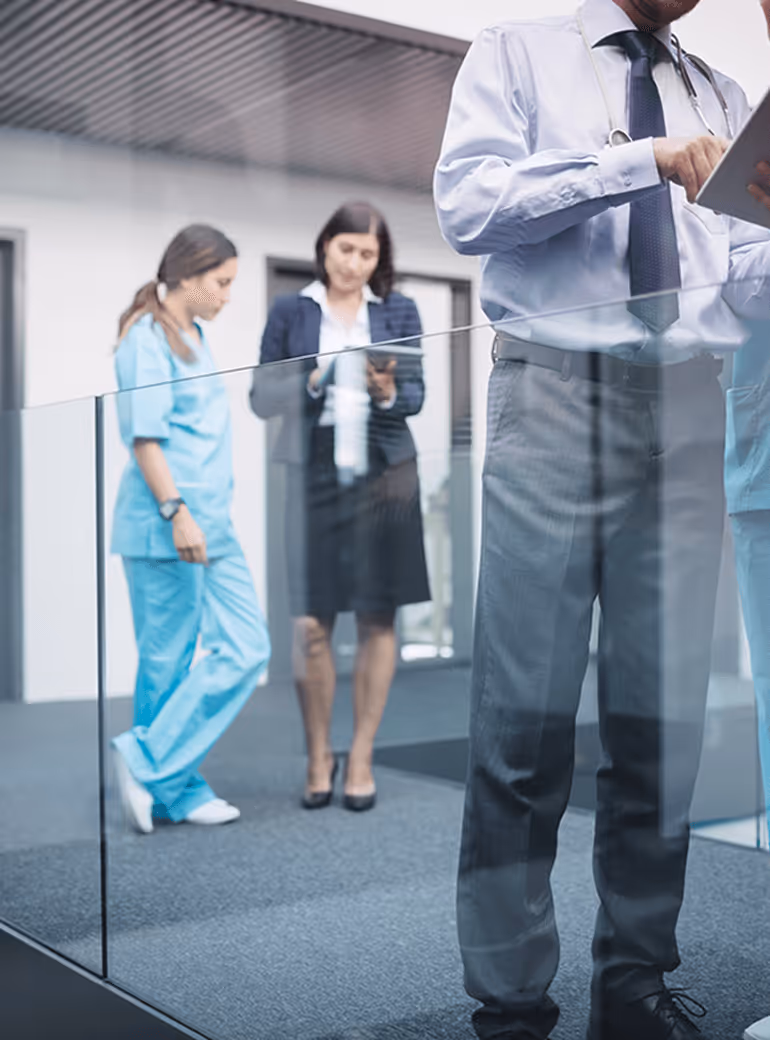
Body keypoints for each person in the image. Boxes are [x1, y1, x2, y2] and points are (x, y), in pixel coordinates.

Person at [435, 1, 770, 1038]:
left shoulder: (721, 93)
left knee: (659, 725)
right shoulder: (517, 52)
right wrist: (643, 161)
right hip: (550, 392)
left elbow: (740, 282)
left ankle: (632, 980)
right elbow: (469, 208)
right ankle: (509, 1002)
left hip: (684, 399)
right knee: (522, 723)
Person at [250, 201, 429, 812]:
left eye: (368, 253)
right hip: (314, 467)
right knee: (311, 622)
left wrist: (387, 390)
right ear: (324, 245)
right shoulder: (291, 310)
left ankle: (361, 755)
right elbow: (260, 396)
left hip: (384, 467)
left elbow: (416, 396)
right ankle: (319, 752)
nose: (354, 263)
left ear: (380, 259)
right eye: (345, 249)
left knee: (380, 617)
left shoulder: (400, 310)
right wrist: (312, 377)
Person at [111, 224, 270, 835]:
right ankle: (172, 788)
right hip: (166, 521)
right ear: (187, 275)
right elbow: (145, 438)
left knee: (247, 645)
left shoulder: (192, 335)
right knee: (167, 659)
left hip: (213, 522)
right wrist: (176, 512)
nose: (228, 295)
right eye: (222, 282)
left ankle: (149, 761)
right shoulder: (145, 339)